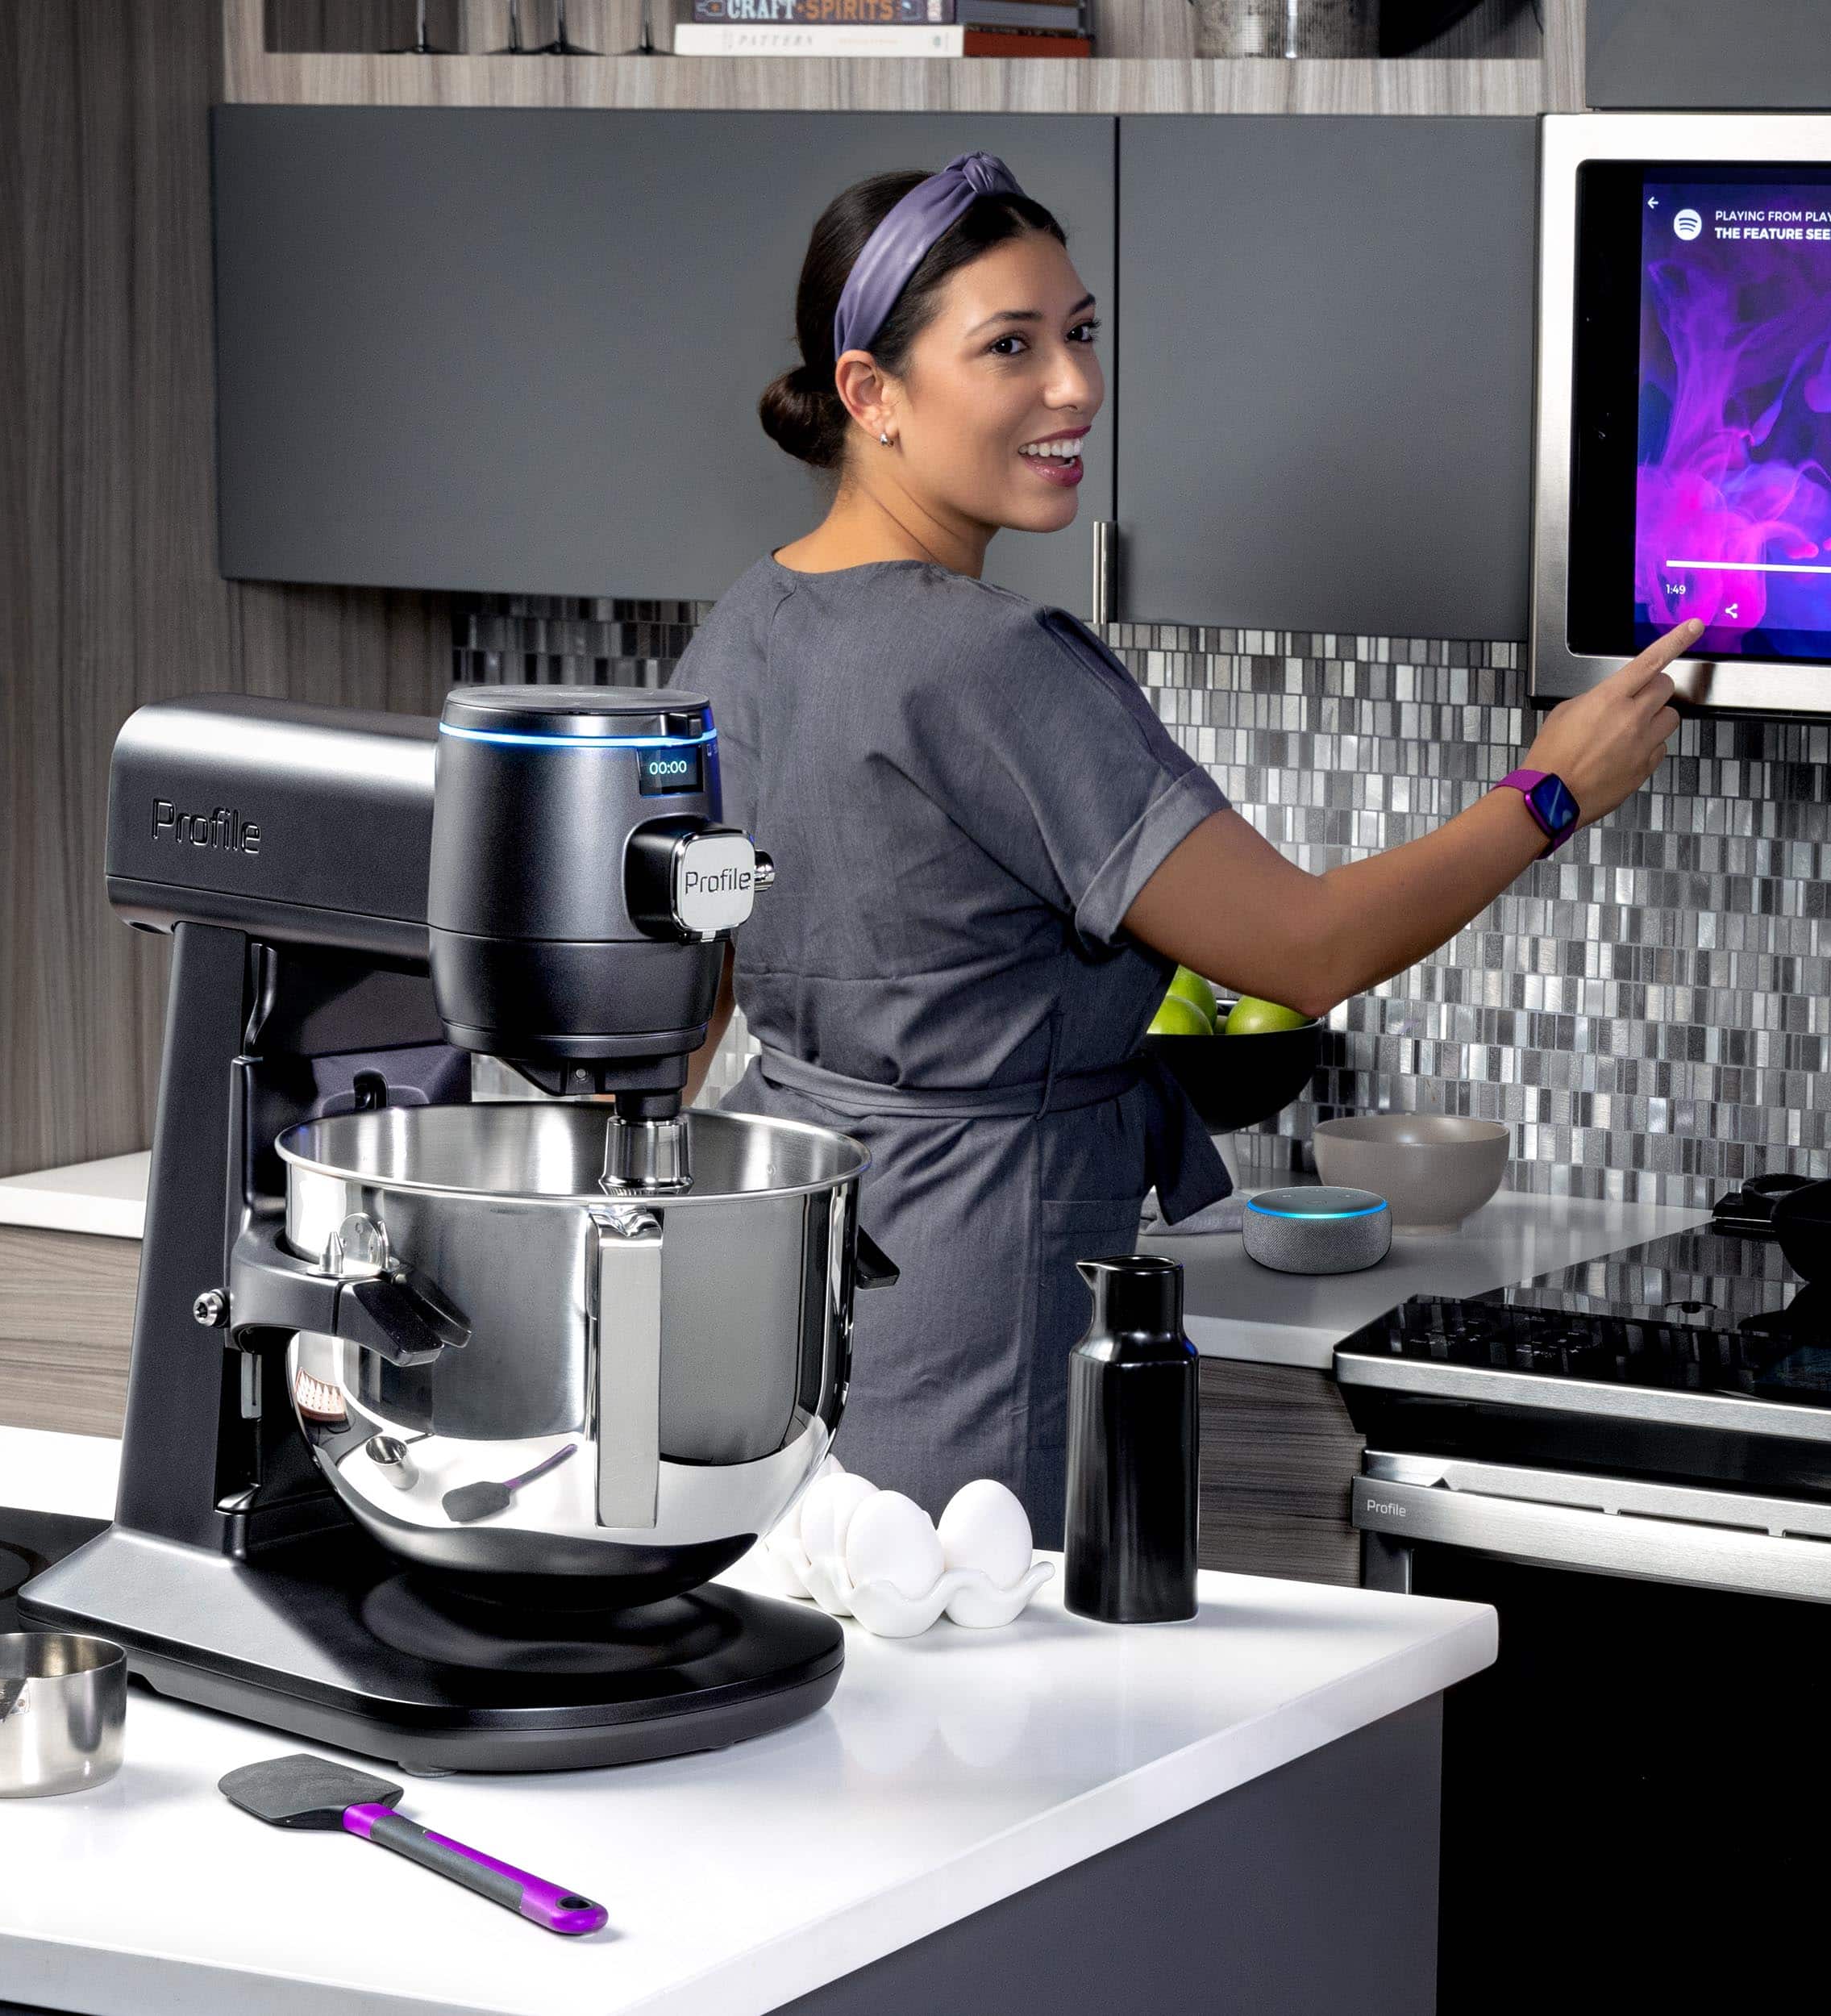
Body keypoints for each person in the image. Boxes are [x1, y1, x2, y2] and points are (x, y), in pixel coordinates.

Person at [677, 152, 1700, 1542]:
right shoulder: (995, 664)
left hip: (786, 1272)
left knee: (844, 1681)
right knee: (978, 1680)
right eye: (1010, 348)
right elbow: (1305, 947)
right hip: (978, 1282)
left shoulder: (742, 624)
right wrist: (1551, 789)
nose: (1075, 387)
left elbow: (695, 970)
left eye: (1080, 333)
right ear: (872, 395)